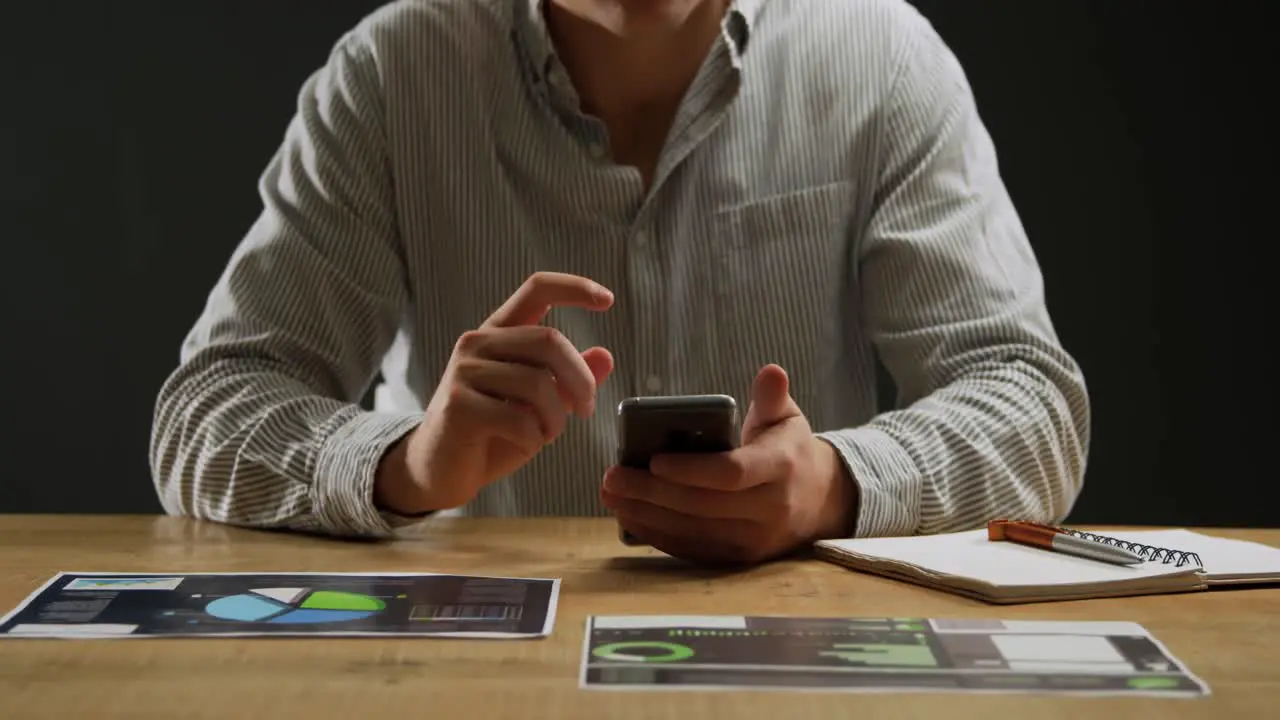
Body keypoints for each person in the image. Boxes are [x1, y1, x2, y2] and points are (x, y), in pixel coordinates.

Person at [149, 0, 1090, 563]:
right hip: (468, 666)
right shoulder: (395, 73)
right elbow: (206, 412)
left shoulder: (880, 56)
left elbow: (1032, 405)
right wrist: (406, 466)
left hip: (790, 659)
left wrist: (833, 486)